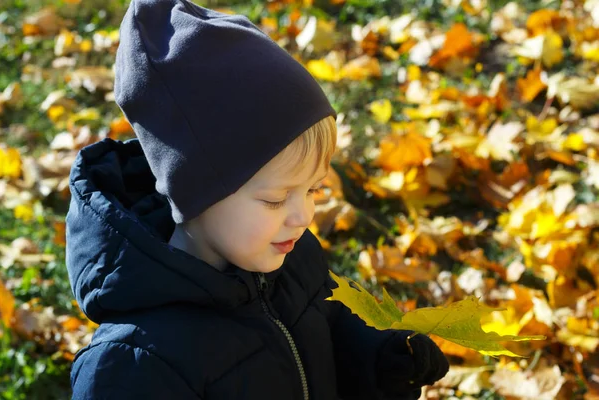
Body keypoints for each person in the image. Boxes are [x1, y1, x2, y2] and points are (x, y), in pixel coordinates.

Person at [65, 0, 449, 399]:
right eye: (275, 199)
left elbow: (326, 325)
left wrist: (379, 360)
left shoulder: (293, 260)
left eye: (313, 189)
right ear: (195, 192)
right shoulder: (134, 367)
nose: (303, 216)